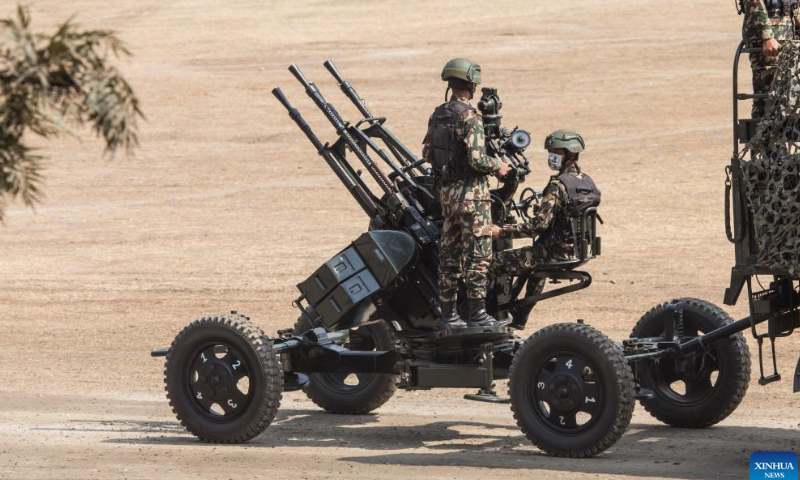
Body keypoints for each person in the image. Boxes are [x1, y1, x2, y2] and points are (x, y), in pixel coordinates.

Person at [422, 57, 510, 329]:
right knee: (479, 256)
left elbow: (427, 153)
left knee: (449, 256)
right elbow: (477, 160)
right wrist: (498, 167)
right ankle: (477, 314)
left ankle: (450, 317)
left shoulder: (438, 114)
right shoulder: (470, 118)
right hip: (473, 196)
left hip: (448, 196)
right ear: (471, 85)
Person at [490, 129, 600, 325]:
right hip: (577, 251)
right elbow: (570, 212)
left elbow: (536, 228)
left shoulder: (558, 185)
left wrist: (501, 231)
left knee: (488, 263)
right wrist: (545, 208)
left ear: (570, 154)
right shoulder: (586, 182)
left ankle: (486, 315)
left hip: (551, 254)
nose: (552, 157)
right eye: (551, 152)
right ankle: (520, 316)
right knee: (533, 267)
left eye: (557, 152)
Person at [743, 0, 799, 118]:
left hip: (788, 38)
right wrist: (767, 36)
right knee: (768, 97)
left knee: (787, 96)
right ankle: (760, 135)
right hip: (769, 42)